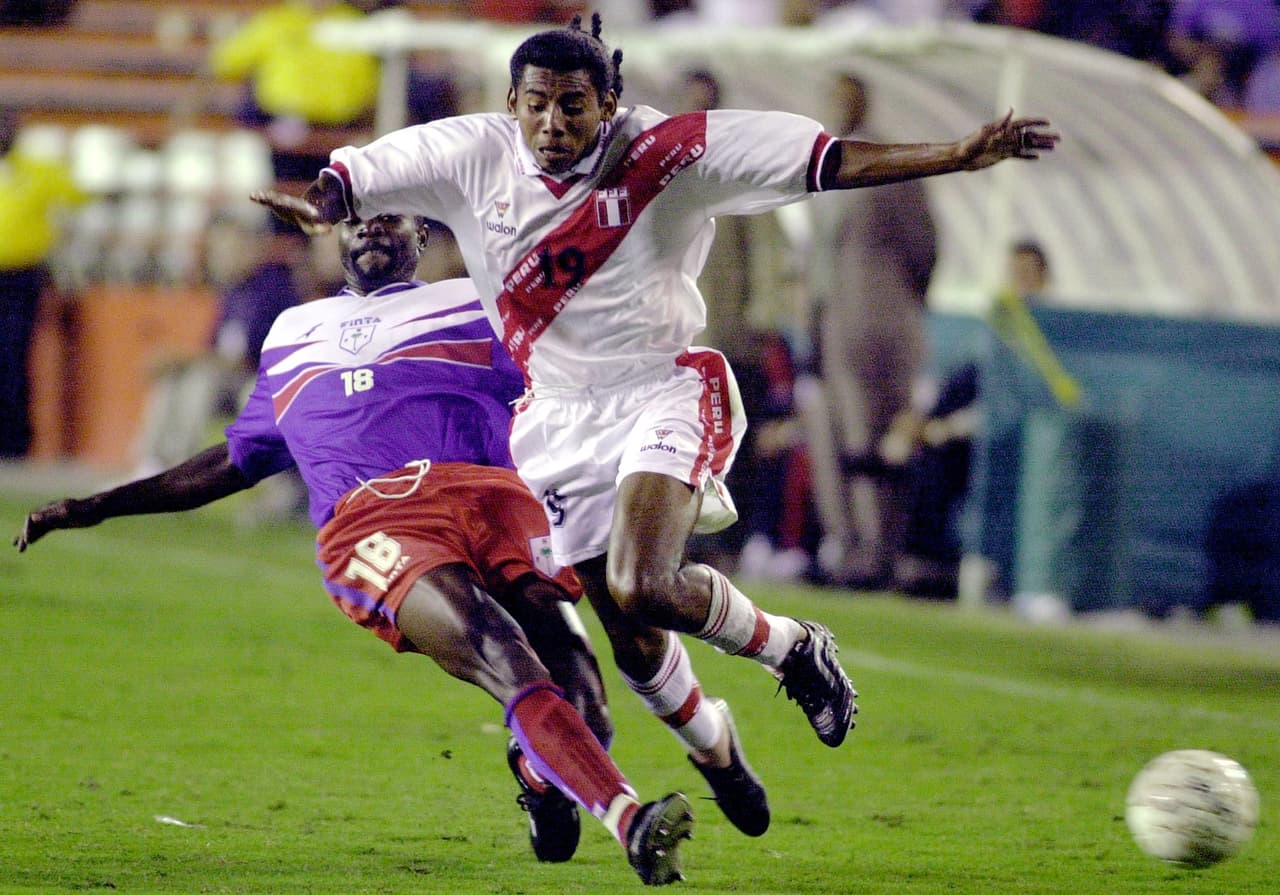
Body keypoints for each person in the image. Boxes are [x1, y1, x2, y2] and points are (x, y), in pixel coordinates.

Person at [253, 12, 1057, 846]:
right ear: (512, 102)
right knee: (634, 646)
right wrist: (323, 201)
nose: (552, 125)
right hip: (558, 421)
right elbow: (359, 173)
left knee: (643, 582)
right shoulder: (475, 152)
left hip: (664, 389)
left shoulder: (669, 152)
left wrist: (956, 153)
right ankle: (715, 745)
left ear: (610, 102)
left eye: (573, 106)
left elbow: (824, 160)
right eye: (536, 106)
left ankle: (792, 648)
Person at [14, 213, 693, 887]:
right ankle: (633, 822)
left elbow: (572, 386)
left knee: (585, 696)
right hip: (376, 519)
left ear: (423, 238)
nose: (371, 229)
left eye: (390, 217)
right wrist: (94, 506)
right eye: (358, 218)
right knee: (500, 651)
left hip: (496, 503)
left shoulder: (478, 304)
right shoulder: (294, 333)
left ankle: (539, 770)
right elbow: (230, 461)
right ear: (332, 236)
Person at [797, 71, 940, 589]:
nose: (835, 106)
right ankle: (848, 545)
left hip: (880, 321)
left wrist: (897, 301)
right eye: (829, 96)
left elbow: (924, 245)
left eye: (844, 97)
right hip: (831, 323)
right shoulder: (821, 164)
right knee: (835, 436)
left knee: (875, 437)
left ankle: (880, 550)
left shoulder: (889, 162)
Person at [0, 106, 84, 459]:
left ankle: (14, 443)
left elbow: (76, 197)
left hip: (20, 276)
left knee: (14, 358)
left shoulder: (36, 169)